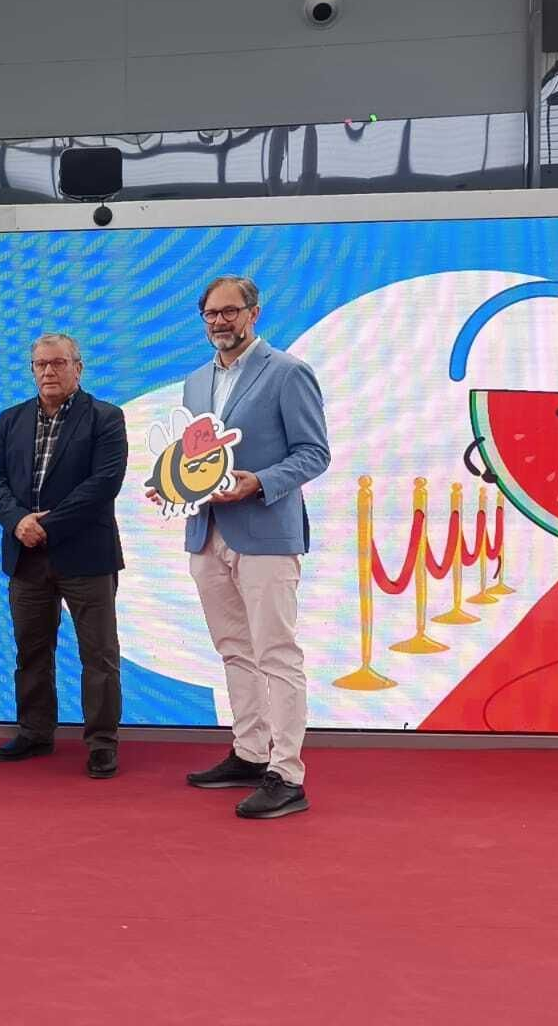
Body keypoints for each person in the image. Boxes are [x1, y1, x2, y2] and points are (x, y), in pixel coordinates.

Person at [170, 276, 330, 819]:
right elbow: (195, 459)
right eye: (211, 313)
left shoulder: (287, 372)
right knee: (234, 651)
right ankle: (248, 750)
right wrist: (172, 485)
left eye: (230, 311)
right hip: (207, 532)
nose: (220, 321)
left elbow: (314, 453)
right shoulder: (194, 383)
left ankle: (287, 774)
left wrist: (258, 481)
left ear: (253, 313)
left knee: (276, 654)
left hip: (264, 532)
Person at [0, 333, 128, 778]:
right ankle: (34, 731)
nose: (49, 371)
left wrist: (45, 525)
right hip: (27, 557)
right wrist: (18, 522)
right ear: (32, 370)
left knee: (98, 655)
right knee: (32, 651)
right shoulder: (11, 420)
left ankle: (102, 742)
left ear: (78, 368)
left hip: (87, 555)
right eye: (41, 364)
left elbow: (103, 484)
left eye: (58, 363)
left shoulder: (105, 418)